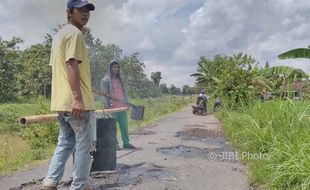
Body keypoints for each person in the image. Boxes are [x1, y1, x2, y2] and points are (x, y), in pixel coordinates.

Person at [43, 1, 96, 190]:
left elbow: (59, 69)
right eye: (81, 10)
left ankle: (50, 181)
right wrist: (78, 98)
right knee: (86, 146)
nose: (85, 14)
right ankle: (79, 186)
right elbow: (71, 64)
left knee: (65, 142)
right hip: (77, 104)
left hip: (61, 101)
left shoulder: (58, 35)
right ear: (69, 12)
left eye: (88, 10)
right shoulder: (75, 34)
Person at [100, 61, 137, 150]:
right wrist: (106, 106)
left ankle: (126, 143)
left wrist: (127, 104)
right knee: (112, 127)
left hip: (122, 107)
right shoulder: (105, 80)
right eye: (114, 67)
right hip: (112, 108)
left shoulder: (120, 79)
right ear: (110, 68)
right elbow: (103, 94)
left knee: (124, 126)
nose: (116, 69)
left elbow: (124, 93)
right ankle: (114, 143)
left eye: (117, 67)